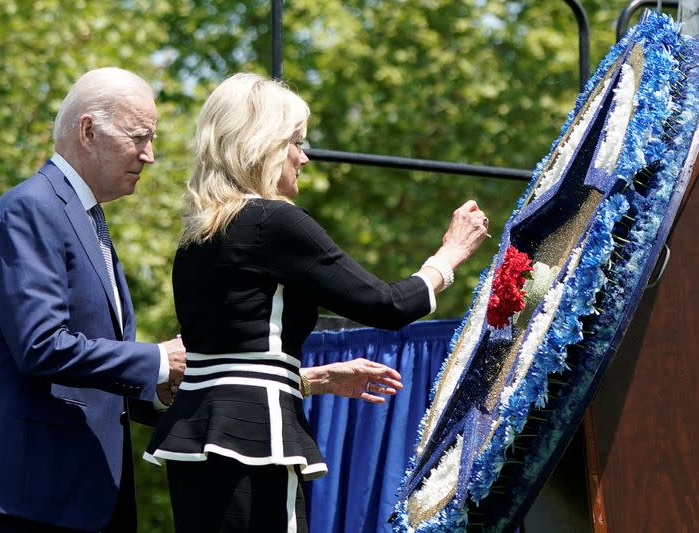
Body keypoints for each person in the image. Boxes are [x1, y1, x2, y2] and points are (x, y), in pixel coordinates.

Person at [144, 72, 490, 532]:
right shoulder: (272, 221)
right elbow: (387, 306)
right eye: (296, 142)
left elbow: (235, 360)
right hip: (257, 439)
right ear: (262, 145)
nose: (303, 157)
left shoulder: (196, 236)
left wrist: (316, 378)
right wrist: (448, 256)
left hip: (196, 435)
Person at [0, 67, 189, 533]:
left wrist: (153, 385)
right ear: (89, 131)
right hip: (26, 499)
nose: (150, 155)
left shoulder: (85, 217)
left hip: (76, 497)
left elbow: (89, 363)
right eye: (140, 137)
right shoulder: (32, 208)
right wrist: (155, 359)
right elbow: (42, 346)